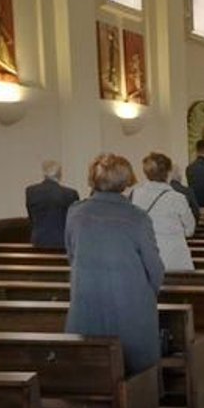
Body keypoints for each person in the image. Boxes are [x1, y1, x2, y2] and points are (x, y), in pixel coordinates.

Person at [65, 153, 164, 375]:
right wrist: (148, 295)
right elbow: (155, 269)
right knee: (136, 374)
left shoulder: (75, 213)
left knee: (92, 371)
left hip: (87, 307)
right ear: (125, 181)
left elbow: (72, 256)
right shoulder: (137, 217)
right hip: (130, 309)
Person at [130, 152, 196, 271]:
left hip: (146, 257)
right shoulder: (178, 198)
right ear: (168, 172)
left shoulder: (135, 195)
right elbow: (190, 230)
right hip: (174, 258)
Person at [25, 159, 80, 249]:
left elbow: (31, 218)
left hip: (38, 242)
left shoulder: (31, 191)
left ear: (44, 174)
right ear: (60, 174)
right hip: (63, 243)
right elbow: (73, 222)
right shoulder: (70, 194)